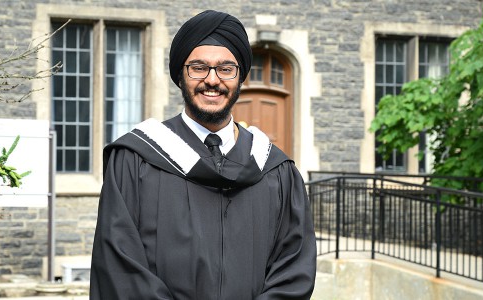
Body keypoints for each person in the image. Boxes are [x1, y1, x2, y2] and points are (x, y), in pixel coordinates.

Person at [90, 10, 316, 299]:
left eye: (225, 68)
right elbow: (119, 266)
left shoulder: (276, 170)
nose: (212, 80)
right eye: (198, 67)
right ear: (180, 75)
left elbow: (294, 268)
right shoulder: (135, 160)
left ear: (240, 77)